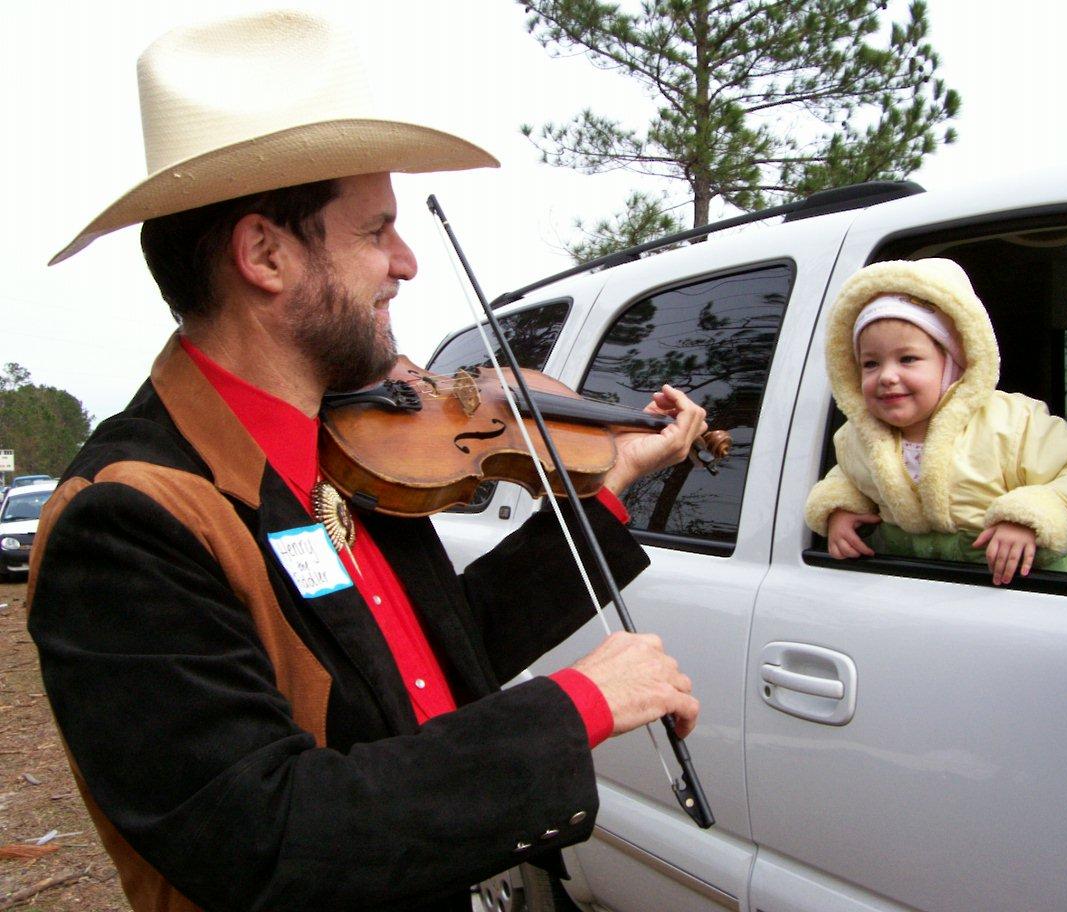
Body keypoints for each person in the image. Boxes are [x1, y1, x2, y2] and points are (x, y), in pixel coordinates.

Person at [28, 10, 703, 912]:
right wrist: (572, 707)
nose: (409, 261)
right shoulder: (127, 520)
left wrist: (611, 483)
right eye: (376, 229)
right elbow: (265, 836)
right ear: (265, 253)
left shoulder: (345, 451)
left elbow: (434, 652)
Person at [804, 257, 1067, 586]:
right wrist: (837, 510)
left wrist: (1029, 517)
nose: (887, 376)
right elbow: (848, 477)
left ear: (954, 363)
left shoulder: (1011, 423)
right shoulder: (857, 438)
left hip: (1028, 587)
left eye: (907, 359)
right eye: (870, 363)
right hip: (910, 586)